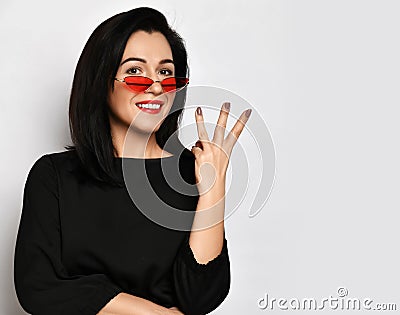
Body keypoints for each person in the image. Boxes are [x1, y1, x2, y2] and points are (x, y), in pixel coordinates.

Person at [13, 7, 251, 315]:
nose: (155, 86)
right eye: (135, 71)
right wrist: (154, 313)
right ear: (101, 81)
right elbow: (38, 288)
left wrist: (213, 189)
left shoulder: (191, 173)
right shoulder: (54, 176)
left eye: (166, 72)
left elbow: (201, 297)